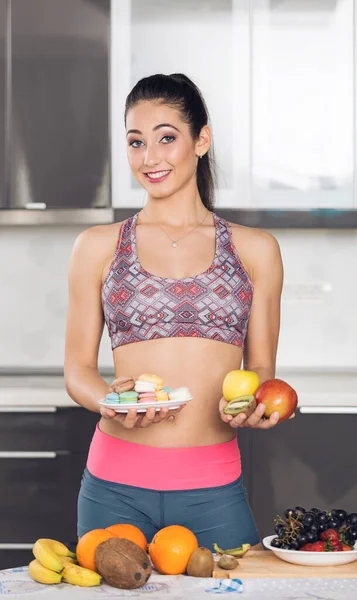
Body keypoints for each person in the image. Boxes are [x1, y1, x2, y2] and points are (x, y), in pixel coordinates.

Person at [64, 73, 287, 551]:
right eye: (135, 142)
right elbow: (77, 370)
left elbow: (262, 370)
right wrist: (108, 401)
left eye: (167, 138)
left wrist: (254, 408)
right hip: (112, 489)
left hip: (214, 491)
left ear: (200, 140)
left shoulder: (256, 250)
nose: (150, 158)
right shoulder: (98, 247)